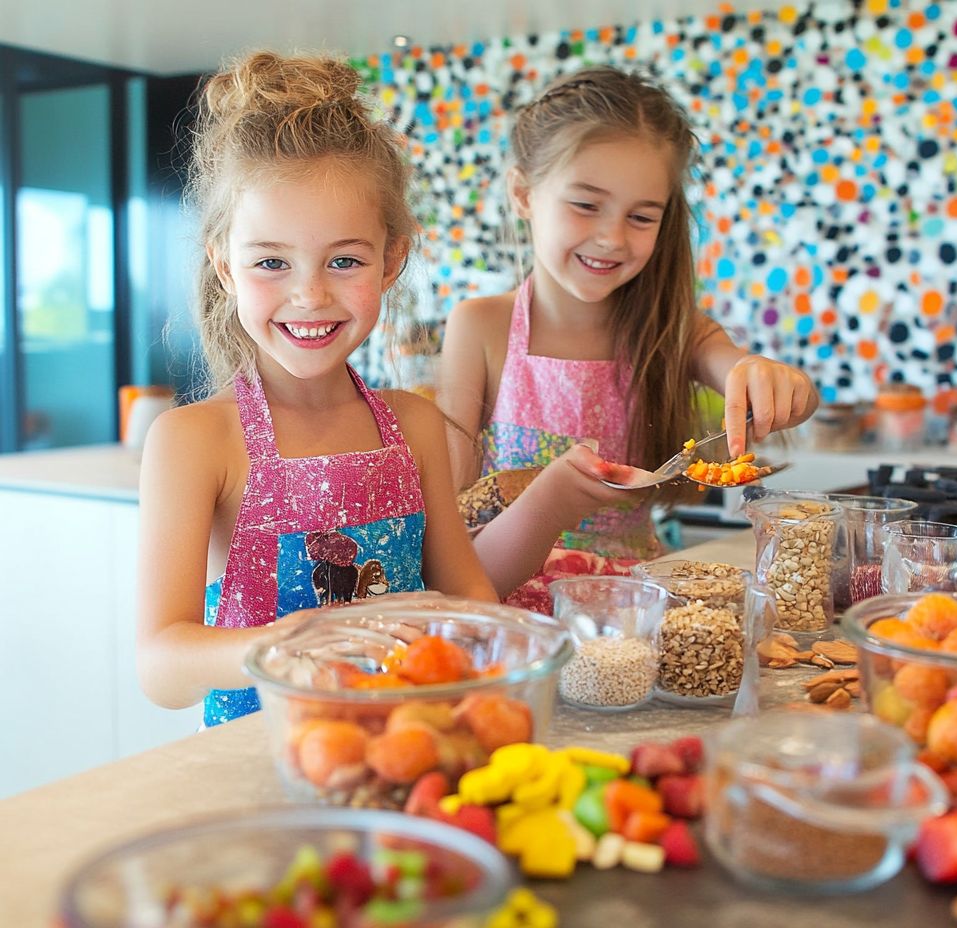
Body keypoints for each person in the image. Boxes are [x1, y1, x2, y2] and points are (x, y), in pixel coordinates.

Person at [136, 51, 496, 726]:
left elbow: (469, 594)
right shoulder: (194, 441)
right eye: (272, 261)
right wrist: (290, 642)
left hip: (407, 749)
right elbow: (161, 666)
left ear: (392, 258)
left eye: (344, 260)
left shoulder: (415, 424)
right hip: (258, 768)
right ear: (225, 265)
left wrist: (461, 631)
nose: (310, 294)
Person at [437, 66, 819, 610]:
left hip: (634, 614)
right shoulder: (479, 326)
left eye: (641, 217)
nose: (611, 238)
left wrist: (766, 376)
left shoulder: (670, 329)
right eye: (586, 205)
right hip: (505, 615)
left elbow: (757, 377)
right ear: (523, 193)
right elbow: (451, 525)